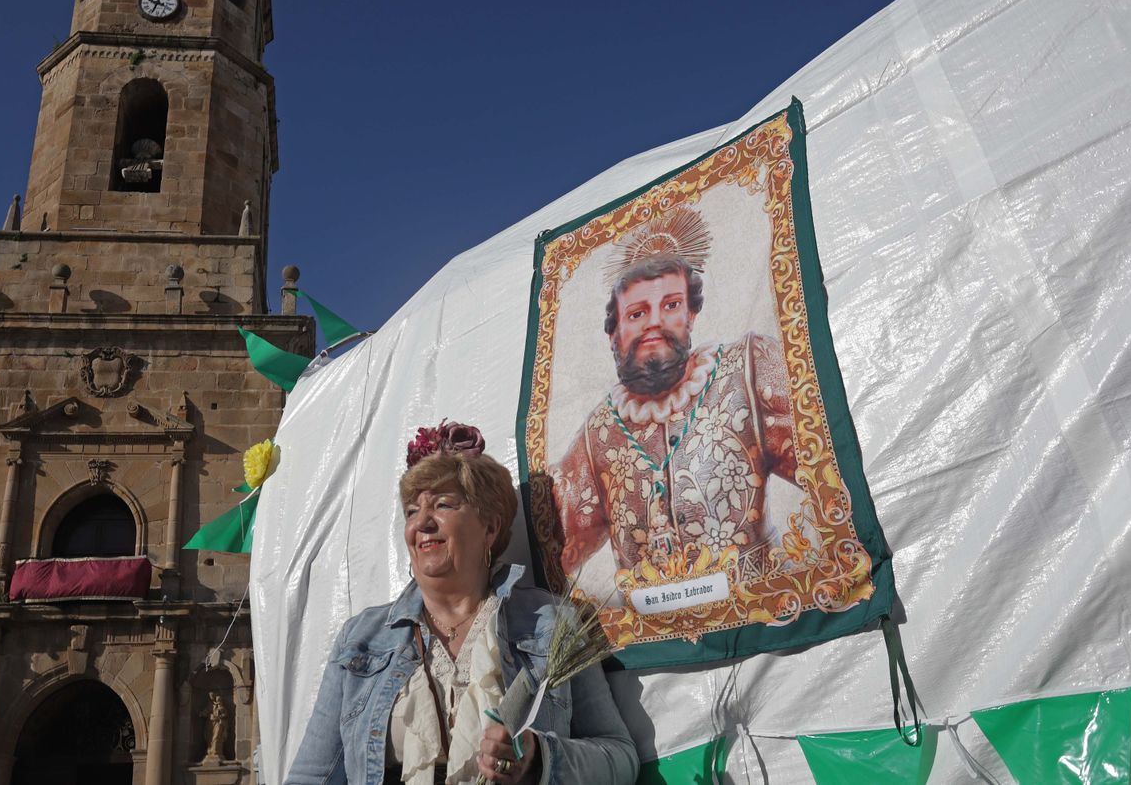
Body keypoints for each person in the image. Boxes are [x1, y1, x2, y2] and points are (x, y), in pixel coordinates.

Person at [287, 421, 637, 785]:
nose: (421, 522)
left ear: (490, 528)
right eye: (410, 511)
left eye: (442, 504)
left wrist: (539, 758)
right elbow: (312, 775)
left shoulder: (551, 624)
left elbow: (620, 757)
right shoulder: (361, 638)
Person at [551, 205, 800, 588]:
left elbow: (830, 471)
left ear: (691, 316)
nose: (653, 321)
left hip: (766, 630)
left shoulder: (748, 370)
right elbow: (555, 540)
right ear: (613, 334)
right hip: (658, 643)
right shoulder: (596, 434)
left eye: (670, 306)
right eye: (636, 313)